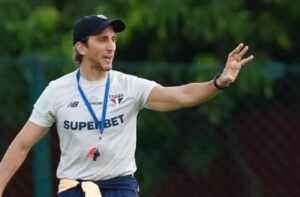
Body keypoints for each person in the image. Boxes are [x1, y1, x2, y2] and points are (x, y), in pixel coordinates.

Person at [0, 14, 254, 197]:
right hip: (73, 189)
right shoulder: (57, 90)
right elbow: (21, 145)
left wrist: (219, 82)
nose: (111, 46)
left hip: (120, 188)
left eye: (113, 39)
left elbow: (183, 95)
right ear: (81, 47)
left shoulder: (129, 86)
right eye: (102, 39)